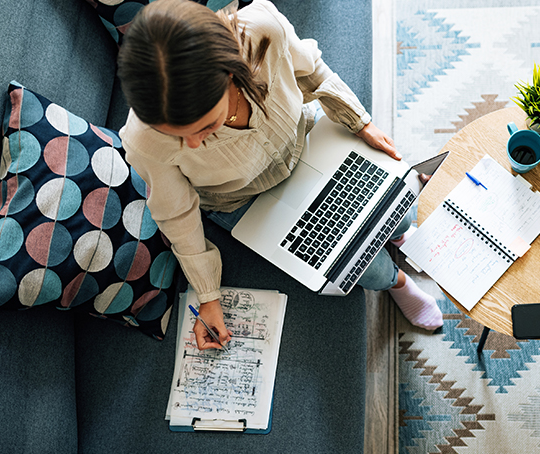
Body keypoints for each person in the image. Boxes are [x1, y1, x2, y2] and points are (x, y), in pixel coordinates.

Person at [117, 0, 442, 350]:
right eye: (177, 135)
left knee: (402, 214)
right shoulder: (143, 142)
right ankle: (398, 282)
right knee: (369, 271)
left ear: (231, 73)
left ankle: (399, 237)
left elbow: (313, 71)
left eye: (206, 127)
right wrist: (208, 295)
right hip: (243, 201)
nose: (192, 146)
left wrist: (361, 123)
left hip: (308, 143)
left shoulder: (264, 29)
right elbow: (177, 214)